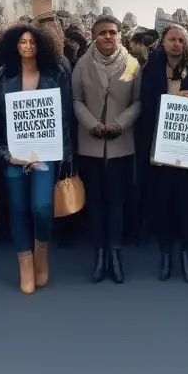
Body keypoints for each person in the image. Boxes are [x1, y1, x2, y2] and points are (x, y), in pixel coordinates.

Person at [0, 23, 73, 294]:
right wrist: (5, 154)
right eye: (23, 42)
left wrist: (65, 156)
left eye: (33, 42)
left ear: (42, 46)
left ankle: (41, 252)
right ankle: (25, 264)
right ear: (14, 45)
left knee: (41, 207)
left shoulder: (55, 74)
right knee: (17, 208)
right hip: (14, 156)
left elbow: (64, 118)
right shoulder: (1, 76)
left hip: (45, 154)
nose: (27, 46)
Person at [136, 24, 188, 283]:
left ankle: (186, 255)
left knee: (187, 206)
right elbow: (144, 107)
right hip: (160, 150)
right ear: (163, 42)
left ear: (186, 43)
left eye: (181, 40)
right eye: (171, 39)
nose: (176, 44)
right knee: (163, 205)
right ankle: (166, 254)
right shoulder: (151, 69)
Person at [72, 15, 142, 284]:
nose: (108, 37)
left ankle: (115, 253)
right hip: (90, 145)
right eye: (103, 33)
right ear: (94, 35)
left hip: (120, 146)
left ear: (119, 34)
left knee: (116, 202)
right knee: (95, 203)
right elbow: (76, 100)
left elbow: (137, 101)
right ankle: (99, 254)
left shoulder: (132, 64)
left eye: (112, 32)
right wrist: (92, 124)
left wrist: (118, 124)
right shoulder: (82, 63)